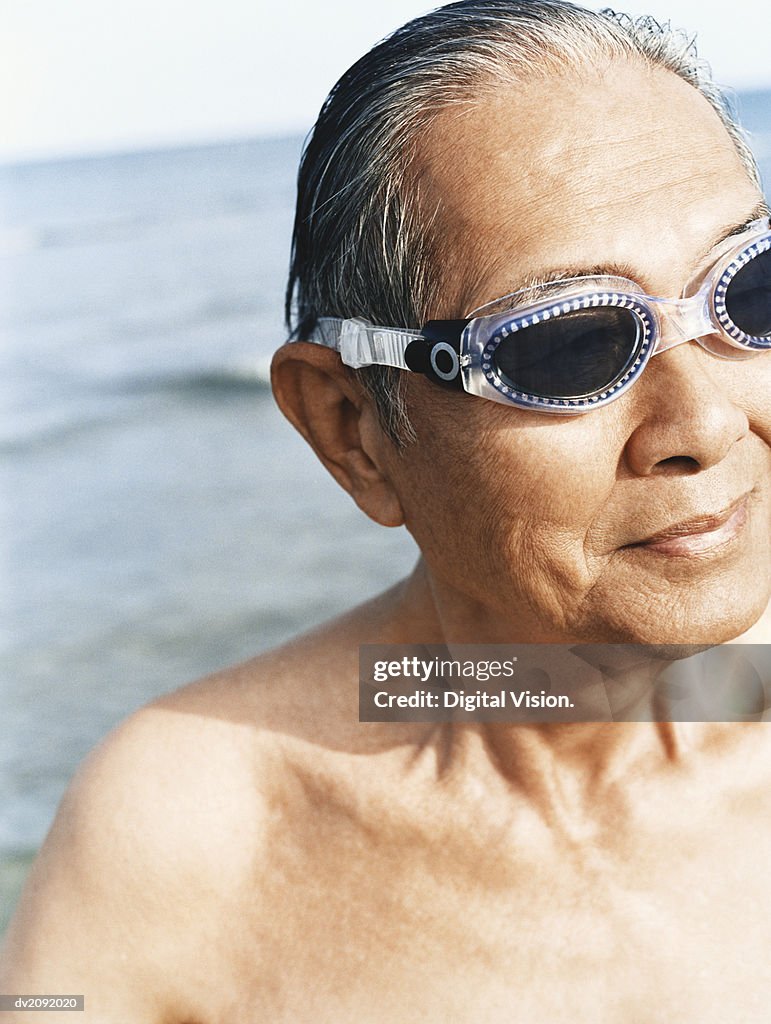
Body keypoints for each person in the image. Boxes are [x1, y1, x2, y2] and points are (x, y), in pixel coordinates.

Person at [2, 0, 770, 1019]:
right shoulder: (191, 828)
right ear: (350, 427)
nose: (703, 423)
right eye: (566, 343)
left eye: (750, 291)